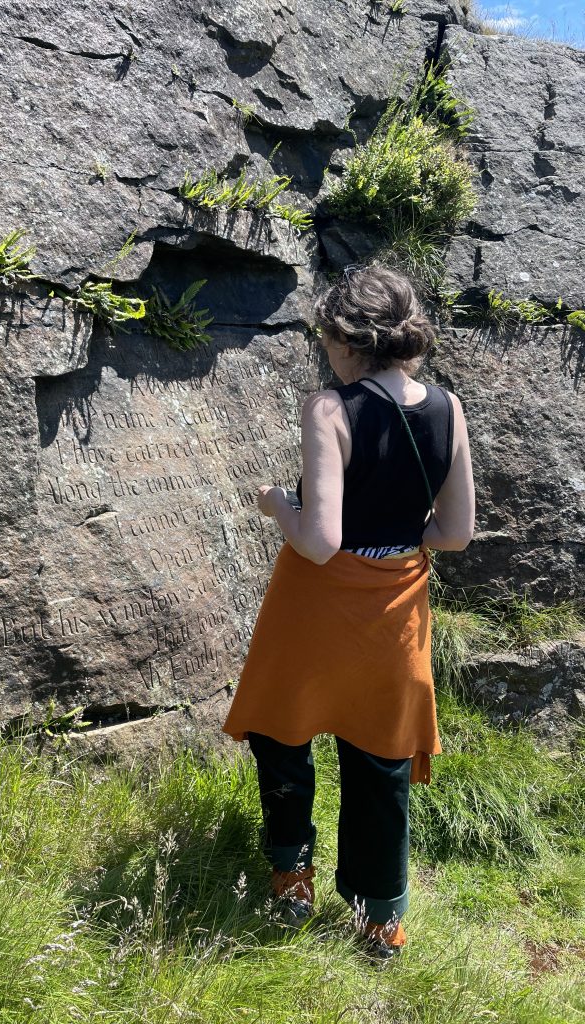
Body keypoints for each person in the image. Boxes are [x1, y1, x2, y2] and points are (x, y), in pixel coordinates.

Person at [221, 263, 475, 961]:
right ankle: (377, 921)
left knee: (283, 731)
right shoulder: (447, 408)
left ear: (344, 339)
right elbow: (454, 532)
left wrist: (279, 505)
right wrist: (397, 543)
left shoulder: (329, 408)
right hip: (396, 605)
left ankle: (291, 877)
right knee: (381, 757)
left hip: (316, 602)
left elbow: (321, 540)